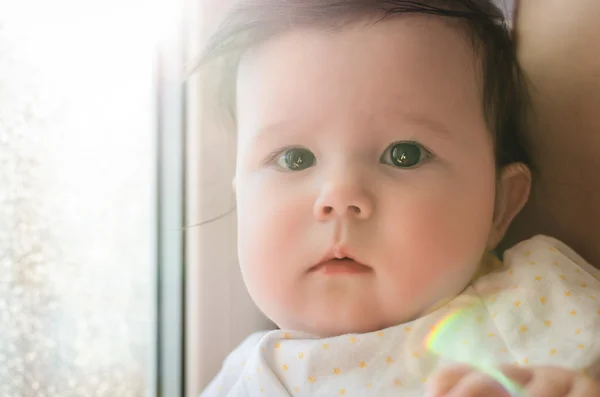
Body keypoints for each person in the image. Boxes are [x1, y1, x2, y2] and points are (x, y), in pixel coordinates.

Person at [196, 0, 600, 395]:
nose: (339, 196)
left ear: (500, 206)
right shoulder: (250, 379)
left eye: (404, 155)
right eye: (294, 158)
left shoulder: (537, 299)